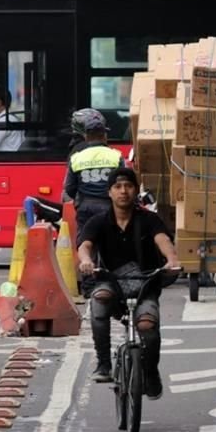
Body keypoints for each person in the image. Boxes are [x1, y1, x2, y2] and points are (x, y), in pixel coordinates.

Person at [77, 167, 180, 399]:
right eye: (118, 187)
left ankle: (151, 373)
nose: (123, 191)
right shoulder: (99, 221)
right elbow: (85, 246)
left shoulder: (149, 219)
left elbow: (163, 240)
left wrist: (172, 260)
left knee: (147, 326)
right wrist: (85, 261)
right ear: (110, 192)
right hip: (111, 283)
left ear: (135, 190)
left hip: (145, 284)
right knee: (99, 299)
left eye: (129, 186)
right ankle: (103, 363)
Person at [62, 109, 125, 233]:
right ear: (105, 135)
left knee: (85, 243)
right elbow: (125, 182)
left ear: (86, 135)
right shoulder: (116, 155)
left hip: (85, 207)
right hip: (109, 206)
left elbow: (69, 188)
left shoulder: (76, 156)